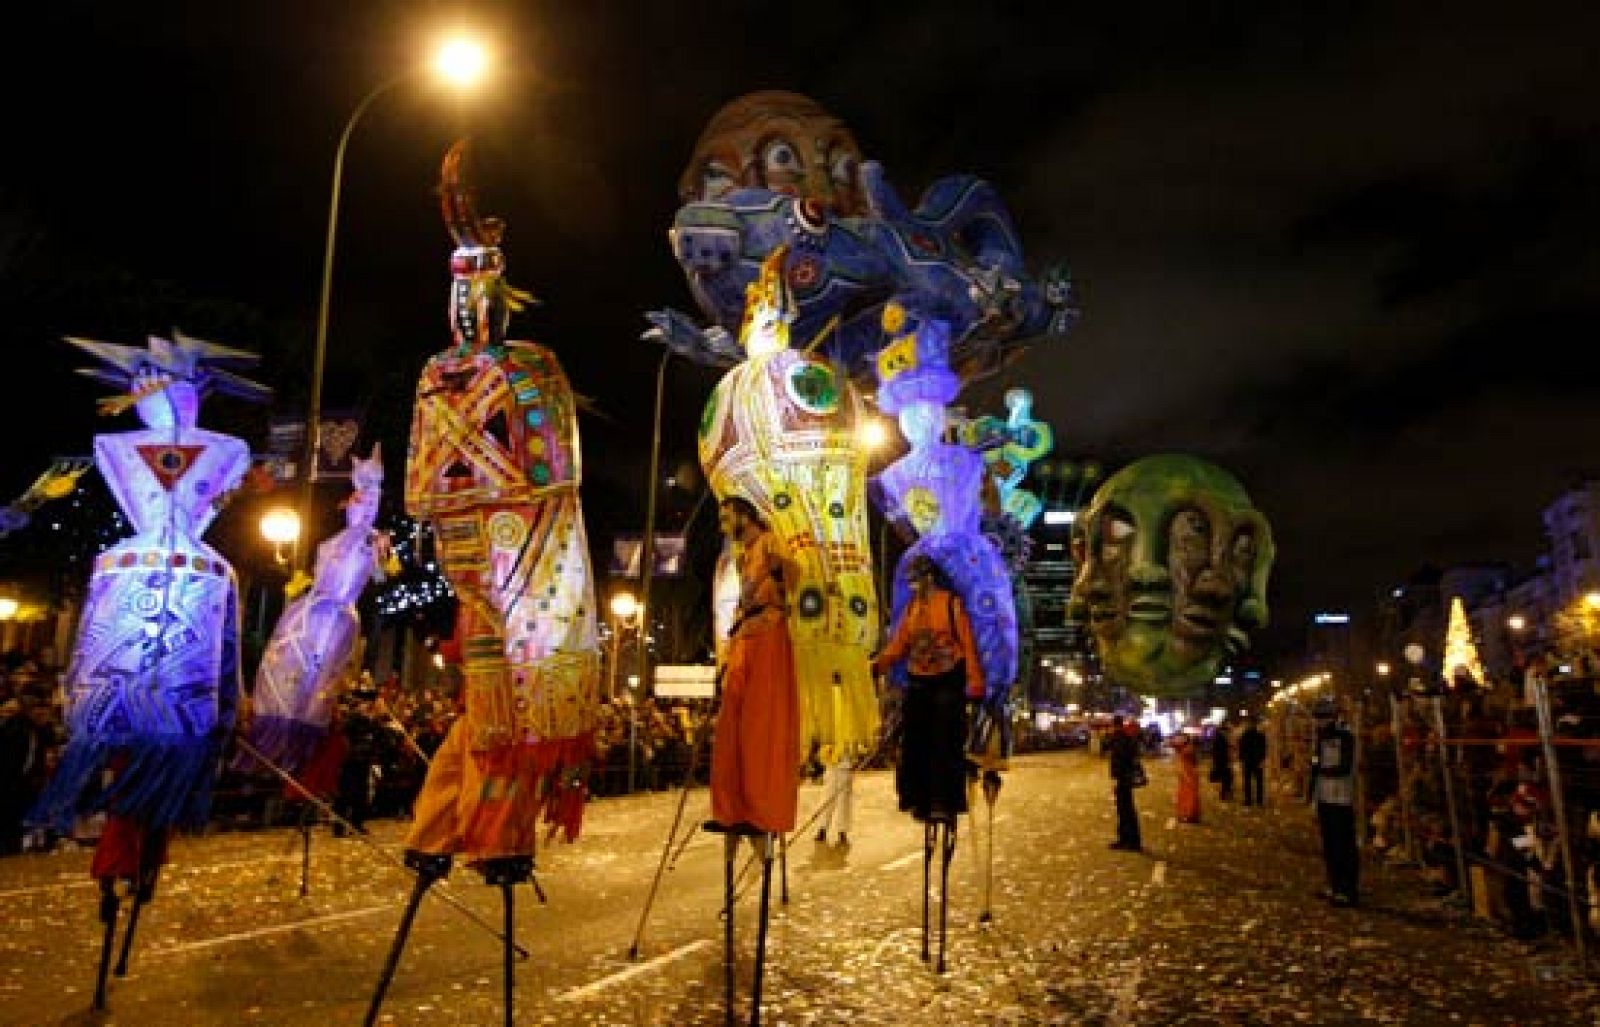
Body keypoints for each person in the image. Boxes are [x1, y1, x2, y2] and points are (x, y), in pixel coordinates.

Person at [706, 495, 802, 836]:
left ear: (745, 516)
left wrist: (780, 568)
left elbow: (794, 575)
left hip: (768, 636)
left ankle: (761, 809)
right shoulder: (742, 556)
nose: (723, 522)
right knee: (731, 724)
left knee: (760, 727)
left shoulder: (769, 542)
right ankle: (731, 808)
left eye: (727, 515)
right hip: (743, 638)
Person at [871, 554, 983, 824]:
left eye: (916, 581)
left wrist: (975, 680)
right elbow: (900, 643)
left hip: (948, 678)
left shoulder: (951, 605)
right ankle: (916, 798)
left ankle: (944, 801)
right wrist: (880, 664)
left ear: (928, 579)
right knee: (914, 738)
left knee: (944, 738)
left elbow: (967, 644)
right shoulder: (912, 609)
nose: (913, 587)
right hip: (919, 678)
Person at [1308, 697, 1359, 906]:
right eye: (1318, 718)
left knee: (1343, 844)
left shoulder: (1345, 737)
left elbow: (1344, 767)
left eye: (1324, 717)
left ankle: (1347, 889)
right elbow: (1315, 764)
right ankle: (1335, 884)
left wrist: (1321, 769)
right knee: (1329, 844)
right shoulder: (1320, 737)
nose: (1320, 722)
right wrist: (1311, 794)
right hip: (1324, 797)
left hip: (1341, 798)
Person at [1107, 714, 1144, 852]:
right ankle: (1125, 839)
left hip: (1124, 779)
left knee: (1125, 810)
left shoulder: (1119, 738)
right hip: (1124, 778)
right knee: (1124, 810)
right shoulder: (1124, 737)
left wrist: (1117, 777)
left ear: (1114, 725)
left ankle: (1131, 841)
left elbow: (1120, 760)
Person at [815, 748, 855, 846]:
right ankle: (822, 828)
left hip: (845, 767)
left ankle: (842, 831)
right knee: (827, 798)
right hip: (830, 765)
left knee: (844, 802)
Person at [1170, 730, 1201, 824]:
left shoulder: (1188, 748)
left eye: (1180, 737)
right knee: (1184, 794)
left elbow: (1191, 761)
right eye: (1178, 737)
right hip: (1185, 773)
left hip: (1189, 773)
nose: (1178, 739)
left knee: (1190, 794)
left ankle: (1190, 815)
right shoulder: (1181, 747)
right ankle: (1186, 814)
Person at [1238, 714, 1268, 807]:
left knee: (1247, 781)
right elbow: (1264, 748)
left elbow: (1241, 748)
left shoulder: (1245, 735)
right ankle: (1259, 801)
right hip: (1257, 761)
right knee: (1259, 781)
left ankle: (1248, 800)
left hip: (1248, 761)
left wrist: (1242, 759)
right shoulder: (1261, 735)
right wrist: (1262, 759)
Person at [1210, 720, 1235, 801]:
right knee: (1227, 777)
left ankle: (1225, 793)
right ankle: (1224, 794)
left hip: (1221, 760)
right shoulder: (1220, 737)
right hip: (1222, 761)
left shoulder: (1219, 736)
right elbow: (1220, 750)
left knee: (1227, 777)